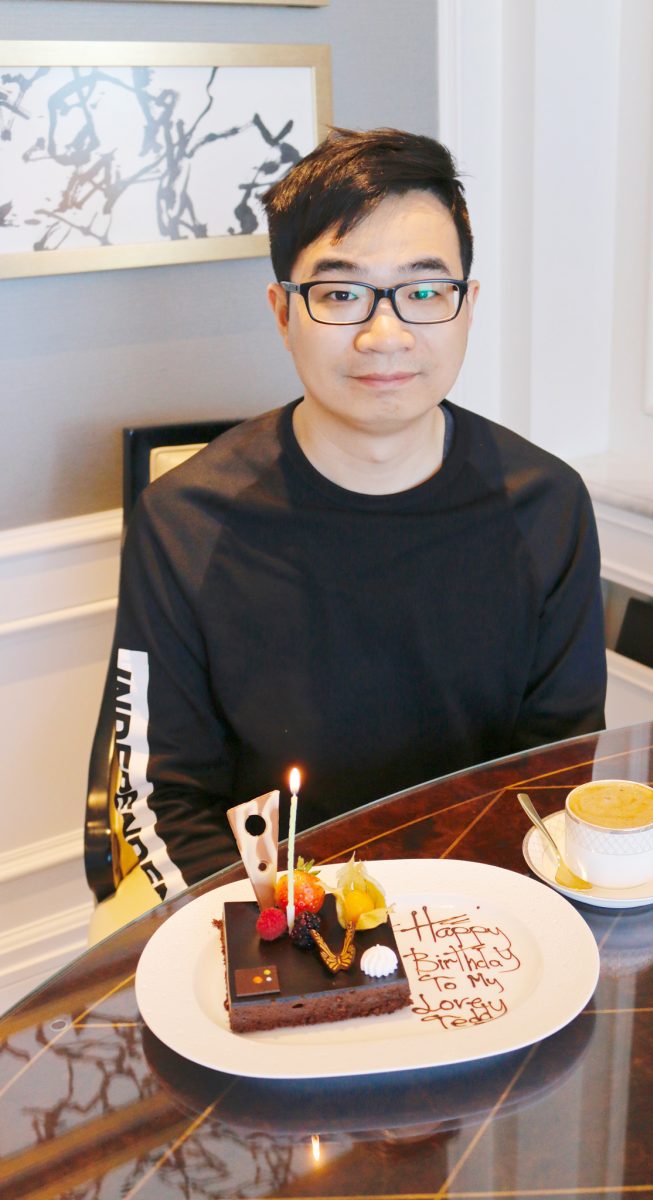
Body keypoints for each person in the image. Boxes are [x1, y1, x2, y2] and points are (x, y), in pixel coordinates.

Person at [94, 127, 606, 935]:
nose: (385, 335)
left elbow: (556, 766)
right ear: (283, 312)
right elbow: (162, 796)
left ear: (468, 306)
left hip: (479, 915)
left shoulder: (548, 506)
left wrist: (461, 935)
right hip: (275, 916)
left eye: (424, 291)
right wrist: (283, 938)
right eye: (340, 295)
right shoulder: (185, 522)